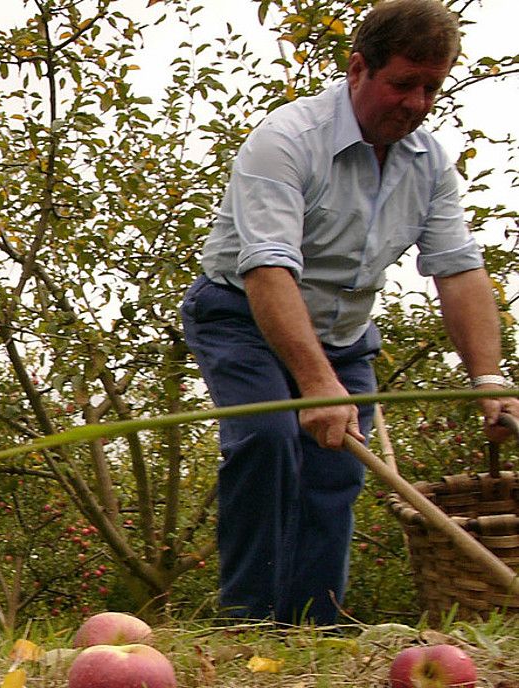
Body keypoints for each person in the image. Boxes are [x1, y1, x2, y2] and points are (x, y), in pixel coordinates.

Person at [180, 0, 518, 626]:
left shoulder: (429, 162)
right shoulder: (287, 141)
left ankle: (315, 628)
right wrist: (315, 384)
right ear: (358, 68)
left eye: (432, 88)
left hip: (342, 330)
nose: (417, 103)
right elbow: (267, 269)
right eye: (403, 84)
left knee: (336, 469)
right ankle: (246, 622)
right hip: (243, 314)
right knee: (269, 438)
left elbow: (459, 270)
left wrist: (489, 379)